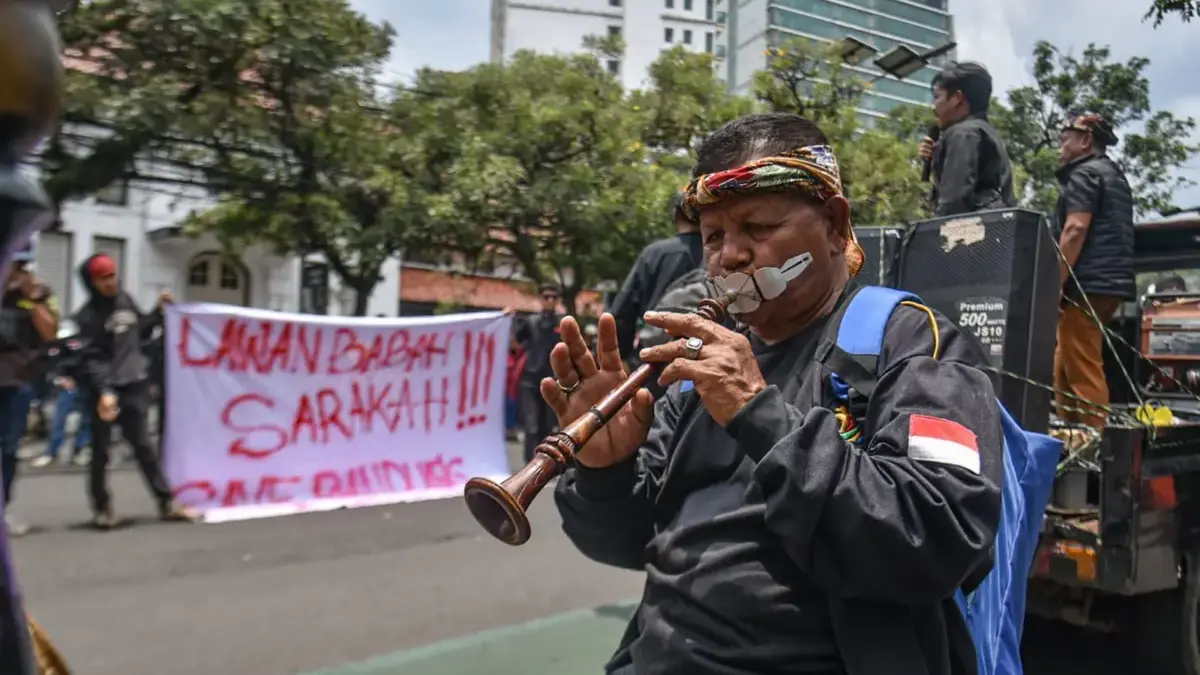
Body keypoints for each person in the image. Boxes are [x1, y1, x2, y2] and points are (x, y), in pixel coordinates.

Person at [547, 112, 1003, 675]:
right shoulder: (698, 371)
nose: (729, 256)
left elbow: (939, 538)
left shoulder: (912, 342)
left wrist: (757, 412)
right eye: (713, 237)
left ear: (835, 226)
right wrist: (605, 470)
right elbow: (624, 544)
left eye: (757, 228)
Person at [73, 253, 196, 529]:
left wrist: (158, 311)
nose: (110, 282)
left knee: (143, 446)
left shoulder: (125, 301)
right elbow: (92, 358)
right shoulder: (88, 316)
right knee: (101, 453)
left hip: (132, 386)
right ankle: (102, 508)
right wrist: (104, 391)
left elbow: (140, 333)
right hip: (105, 392)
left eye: (112, 275)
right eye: (103, 278)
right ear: (92, 282)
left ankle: (167, 502)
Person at [1051, 112, 1135, 430]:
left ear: (1086, 140)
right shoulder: (1113, 175)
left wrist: (1056, 280)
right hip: (1108, 283)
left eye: (1065, 139)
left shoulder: (1084, 174)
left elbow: (1074, 229)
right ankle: (1070, 435)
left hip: (1087, 283)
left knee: (1082, 365)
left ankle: (1096, 444)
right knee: (1065, 363)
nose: (1061, 146)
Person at [608, 192, 704, 362]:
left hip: (655, 359)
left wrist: (625, 359)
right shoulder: (720, 252)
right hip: (707, 356)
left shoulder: (654, 254)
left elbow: (622, 313)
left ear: (675, 213)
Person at [0, 251, 57, 536]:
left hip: (18, 382)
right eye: (14, 265)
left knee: (9, 450)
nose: (18, 272)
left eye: (22, 267)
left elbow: (49, 333)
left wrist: (34, 299)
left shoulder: (35, 296)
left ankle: (3, 510)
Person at [919, 62, 1016, 217]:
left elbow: (953, 204)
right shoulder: (983, 132)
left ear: (957, 98)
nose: (933, 107)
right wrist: (936, 157)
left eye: (937, 97)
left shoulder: (963, 134)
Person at [513, 284, 563, 462]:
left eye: (553, 297)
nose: (550, 300)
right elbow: (517, 338)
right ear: (540, 299)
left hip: (552, 380)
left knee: (547, 427)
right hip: (530, 380)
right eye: (546, 297)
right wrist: (509, 318)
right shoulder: (531, 321)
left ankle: (543, 465)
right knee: (531, 426)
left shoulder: (561, 324)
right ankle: (529, 465)